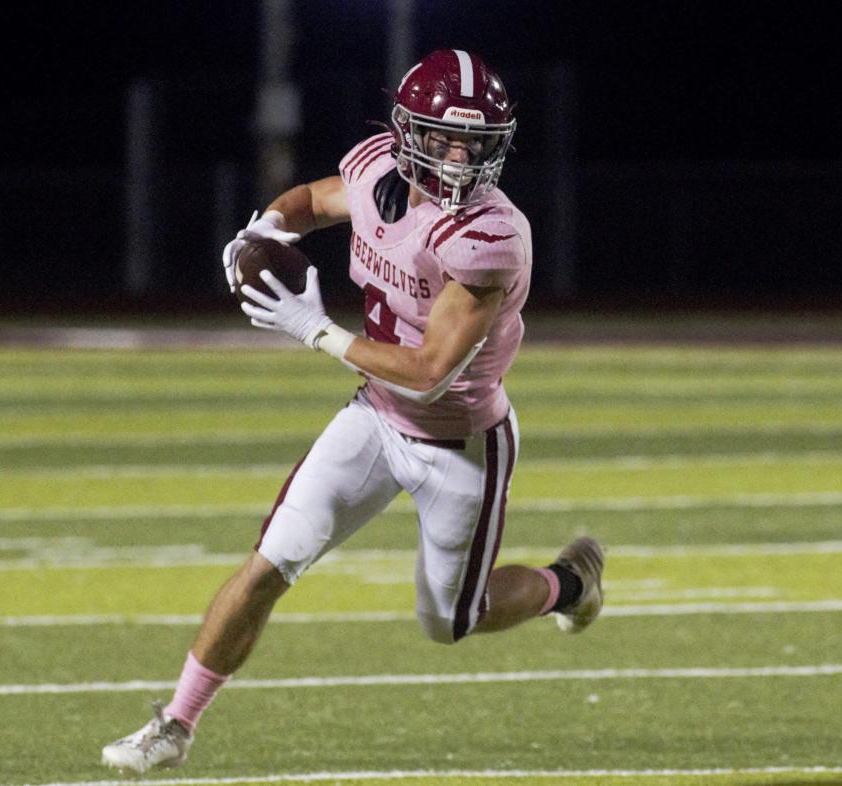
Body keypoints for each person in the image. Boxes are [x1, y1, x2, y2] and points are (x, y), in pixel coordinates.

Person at [101, 49, 605, 774]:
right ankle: (174, 725)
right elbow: (307, 200)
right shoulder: (375, 171)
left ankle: (568, 583)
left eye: (478, 143)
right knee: (268, 565)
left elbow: (430, 373)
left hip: (458, 443)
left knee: (449, 621)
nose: (461, 158)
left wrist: (317, 331)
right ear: (406, 132)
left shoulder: (490, 237)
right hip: (374, 415)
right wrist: (264, 232)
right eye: (444, 137)